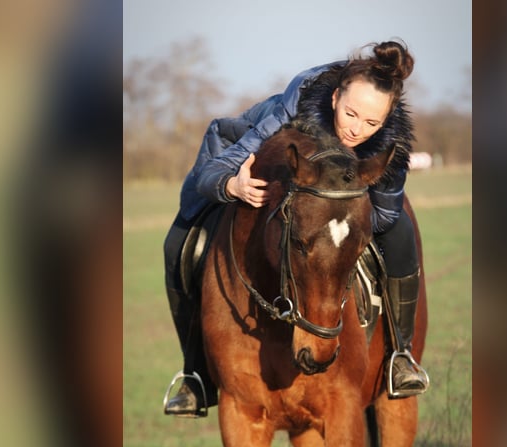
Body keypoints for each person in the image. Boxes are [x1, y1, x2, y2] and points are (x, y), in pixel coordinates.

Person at [164, 40, 428, 417]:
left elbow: (383, 216)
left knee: (401, 233)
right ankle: (195, 373)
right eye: (351, 113)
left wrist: (346, 209)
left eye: (372, 123)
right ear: (335, 97)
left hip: (333, 194)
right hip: (242, 167)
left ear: (386, 122)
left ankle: (400, 356)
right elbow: (213, 173)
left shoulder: (390, 147)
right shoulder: (288, 110)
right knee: (178, 244)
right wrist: (231, 185)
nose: (356, 130)